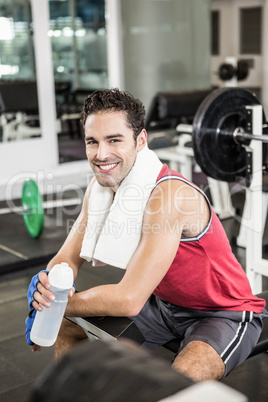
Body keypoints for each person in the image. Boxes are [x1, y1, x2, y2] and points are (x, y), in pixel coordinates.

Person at [26, 88, 267, 382]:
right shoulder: (100, 188)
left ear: (140, 140)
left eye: (114, 140)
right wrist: (48, 286)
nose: (101, 155)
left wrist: (53, 302)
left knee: (179, 384)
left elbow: (128, 299)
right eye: (93, 142)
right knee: (66, 323)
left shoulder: (168, 196)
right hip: (165, 307)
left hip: (221, 312)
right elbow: (67, 256)